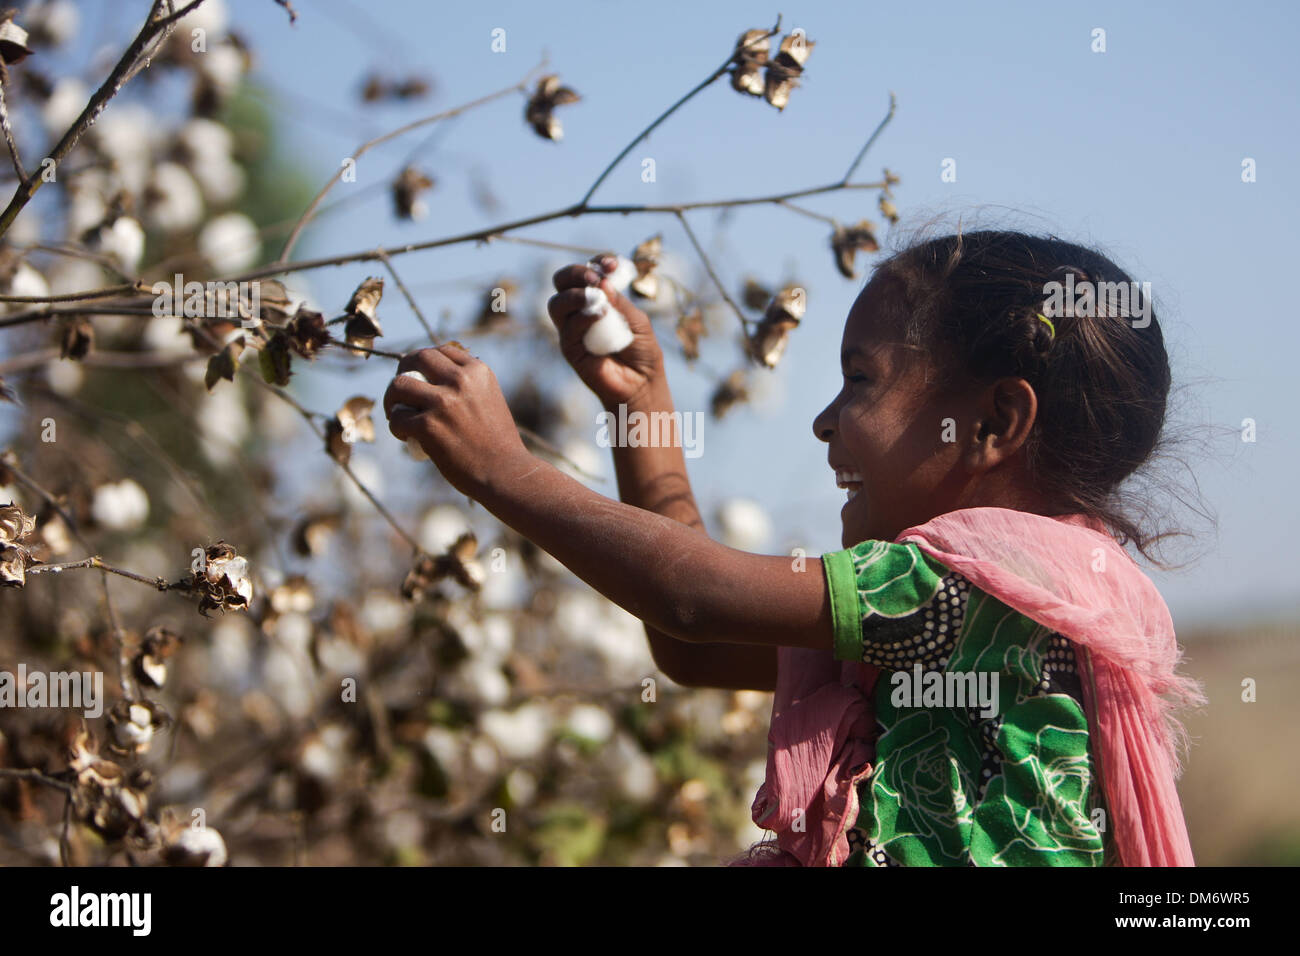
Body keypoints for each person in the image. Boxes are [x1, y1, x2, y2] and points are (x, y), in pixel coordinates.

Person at [383, 228, 1205, 867]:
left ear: (991, 424)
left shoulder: (968, 590)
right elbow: (693, 644)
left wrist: (501, 470)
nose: (824, 420)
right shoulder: (996, 606)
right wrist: (642, 405)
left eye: (860, 379)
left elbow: (694, 597)